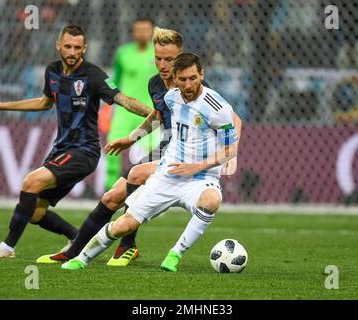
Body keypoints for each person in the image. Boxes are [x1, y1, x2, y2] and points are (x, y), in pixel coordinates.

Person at [36, 27, 241, 266]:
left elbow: (233, 120)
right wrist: (132, 138)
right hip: (168, 148)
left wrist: (230, 156)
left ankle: (126, 245)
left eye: (170, 59)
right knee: (112, 197)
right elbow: (158, 115)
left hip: (187, 155)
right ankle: (77, 251)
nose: (163, 65)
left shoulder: (193, 83)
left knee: (136, 173)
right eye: (158, 58)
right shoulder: (156, 85)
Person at [0, 25, 152, 258]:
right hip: (61, 149)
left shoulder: (93, 75)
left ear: (84, 48)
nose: (72, 52)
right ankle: (75, 237)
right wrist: (2, 105)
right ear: (58, 46)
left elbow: (123, 99)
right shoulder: (52, 71)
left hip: (84, 150)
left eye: (77, 48)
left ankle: (7, 247)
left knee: (31, 182)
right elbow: (44, 103)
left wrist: (153, 113)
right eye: (67, 46)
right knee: (36, 212)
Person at [105, 18, 159, 190]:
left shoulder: (159, 54)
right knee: (112, 146)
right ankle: (110, 191)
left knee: (156, 151)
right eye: (138, 30)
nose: (142, 33)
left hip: (151, 110)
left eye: (146, 29)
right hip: (125, 110)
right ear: (133, 32)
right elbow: (115, 81)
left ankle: (154, 192)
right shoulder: (123, 53)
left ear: (152, 32)